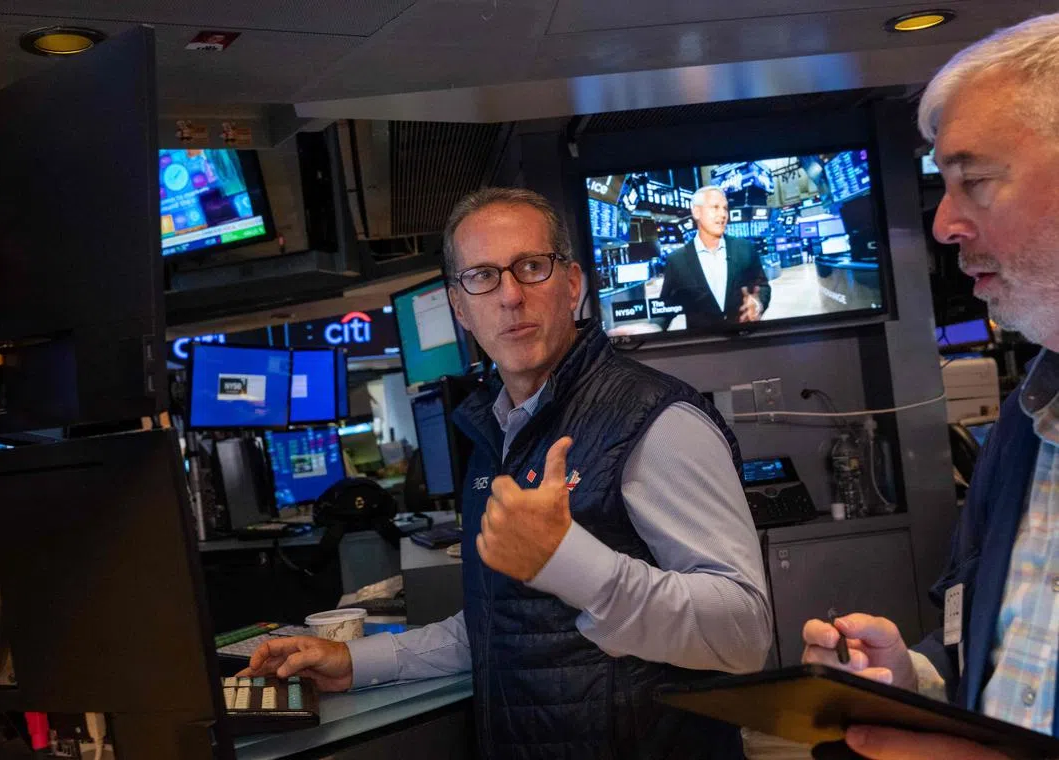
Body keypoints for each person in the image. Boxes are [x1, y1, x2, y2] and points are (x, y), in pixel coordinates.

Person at [242, 187, 772, 759]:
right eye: (483, 277)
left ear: (572, 284)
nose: (511, 296)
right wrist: (353, 662)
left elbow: (743, 634)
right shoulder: (497, 433)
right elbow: (503, 627)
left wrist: (569, 560)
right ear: (460, 308)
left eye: (531, 267)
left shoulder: (657, 419)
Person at [801, 13, 1059, 759]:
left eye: (974, 181)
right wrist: (912, 679)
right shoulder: (1025, 424)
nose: (943, 223)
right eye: (941, 186)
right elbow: (1004, 652)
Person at [655, 186, 770, 330]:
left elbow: (763, 286)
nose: (722, 214)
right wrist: (653, 328)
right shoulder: (677, 261)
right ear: (696, 212)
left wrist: (758, 303)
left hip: (743, 340)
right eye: (715, 207)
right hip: (703, 346)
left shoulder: (745, 248)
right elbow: (664, 308)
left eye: (725, 208)